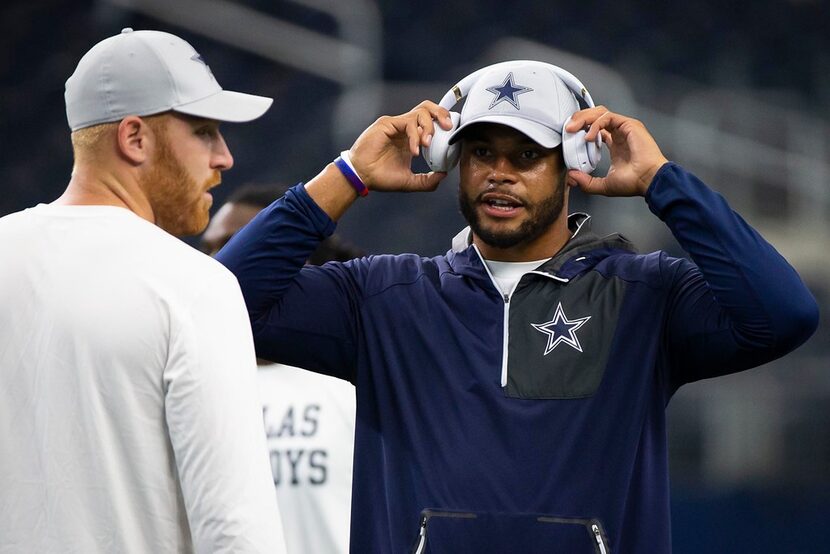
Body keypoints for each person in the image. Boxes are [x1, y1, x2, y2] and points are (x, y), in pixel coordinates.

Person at [216, 60, 819, 553]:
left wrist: (664, 181)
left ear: (574, 165)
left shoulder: (643, 297)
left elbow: (784, 313)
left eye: (526, 156)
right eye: (481, 154)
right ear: (455, 161)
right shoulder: (383, 298)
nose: (499, 174)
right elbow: (221, 308)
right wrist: (346, 174)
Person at [0, 28, 286, 553]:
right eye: (203, 132)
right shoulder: (193, 284)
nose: (224, 157)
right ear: (134, 138)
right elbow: (237, 531)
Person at [202, 184, 362, 554]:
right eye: (209, 249)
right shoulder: (194, 385)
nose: (217, 264)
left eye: (233, 246)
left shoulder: (355, 382)